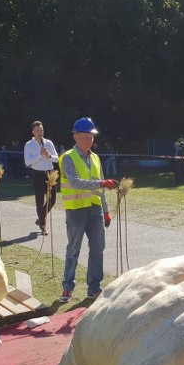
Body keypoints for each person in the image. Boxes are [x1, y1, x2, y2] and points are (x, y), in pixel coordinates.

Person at [58, 117, 117, 303]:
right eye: (84, 137)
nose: (88, 140)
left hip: (95, 210)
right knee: (73, 250)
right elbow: (75, 182)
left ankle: (94, 288)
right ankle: (67, 287)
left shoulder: (95, 158)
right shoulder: (68, 158)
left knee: (98, 249)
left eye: (91, 137)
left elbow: (101, 189)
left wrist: (106, 210)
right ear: (75, 137)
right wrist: (101, 183)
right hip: (76, 211)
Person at [24, 121, 60, 235]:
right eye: (38, 131)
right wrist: (40, 155)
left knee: (52, 200)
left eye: (41, 130)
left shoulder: (48, 143)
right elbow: (27, 162)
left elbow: (57, 159)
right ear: (33, 132)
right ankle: (43, 226)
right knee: (39, 201)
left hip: (50, 174)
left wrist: (49, 156)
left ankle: (41, 218)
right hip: (38, 174)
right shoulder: (29, 145)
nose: (40, 133)